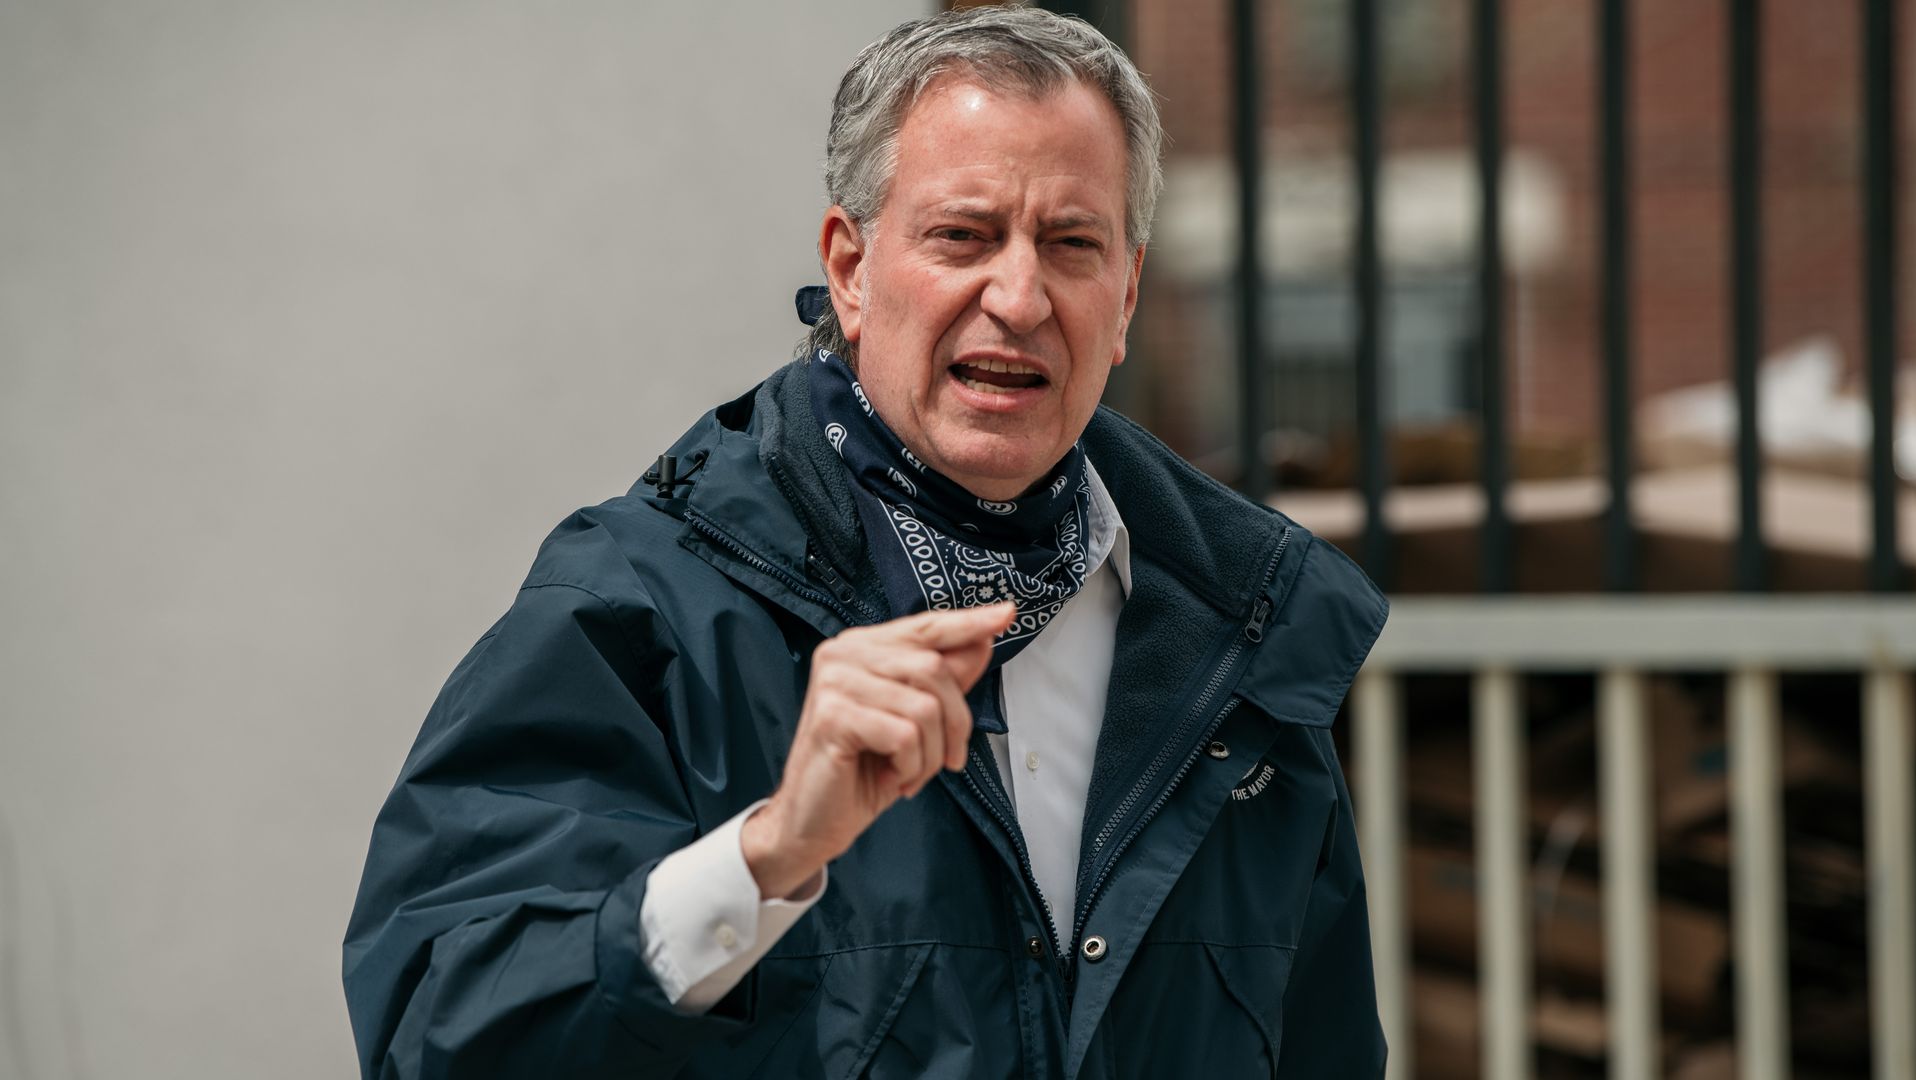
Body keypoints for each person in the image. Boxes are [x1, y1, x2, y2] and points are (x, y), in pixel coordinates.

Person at [343, 6, 1389, 1077]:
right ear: (851, 269)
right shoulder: (641, 605)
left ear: (1124, 296)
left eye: (1072, 244)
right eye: (963, 236)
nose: (1019, 296)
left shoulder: (1239, 635)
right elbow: (444, 1032)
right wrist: (767, 857)